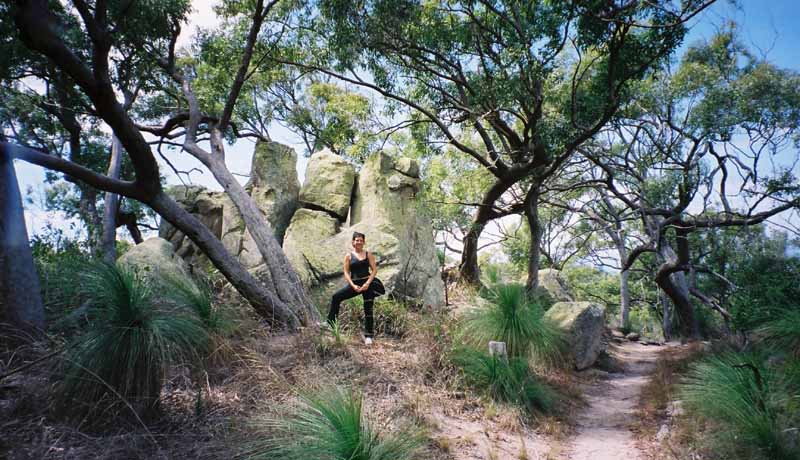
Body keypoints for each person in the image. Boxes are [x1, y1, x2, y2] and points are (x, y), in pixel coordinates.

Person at [327, 231, 385, 345]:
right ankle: (330, 324)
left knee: (368, 309)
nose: (359, 242)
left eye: (361, 240)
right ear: (353, 242)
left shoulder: (368, 254)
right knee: (336, 297)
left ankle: (369, 336)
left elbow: (374, 270)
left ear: (364, 242)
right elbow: (346, 272)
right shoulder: (348, 256)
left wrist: (367, 283)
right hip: (354, 285)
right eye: (357, 240)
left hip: (368, 285)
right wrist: (353, 285)